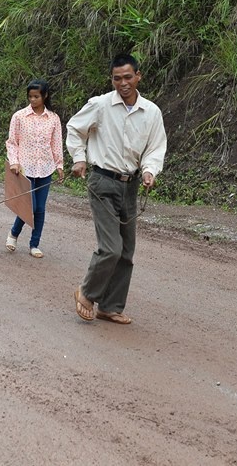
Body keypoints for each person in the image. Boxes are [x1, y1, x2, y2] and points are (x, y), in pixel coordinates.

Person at [67, 54, 167, 325]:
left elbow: (155, 147)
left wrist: (149, 171)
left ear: (138, 76)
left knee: (126, 251)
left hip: (131, 184)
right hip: (102, 181)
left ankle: (110, 306)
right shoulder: (100, 105)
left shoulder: (152, 112)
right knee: (111, 247)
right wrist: (78, 158)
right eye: (117, 78)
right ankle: (87, 292)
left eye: (127, 77)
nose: (123, 83)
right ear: (111, 79)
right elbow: (75, 129)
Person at [5, 79, 65, 258]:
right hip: (25, 169)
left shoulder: (53, 118)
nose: (33, 100)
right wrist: (14, 162)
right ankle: (14, 233)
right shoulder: (19, 117)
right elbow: (12, 142)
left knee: (40, 208)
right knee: (30, 206)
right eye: (30, 96)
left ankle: (34, 244)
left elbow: (56, 144)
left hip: (45, 168)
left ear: (45, 96)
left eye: (36, 96)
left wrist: (59, 165)